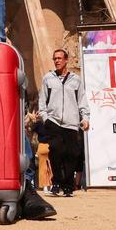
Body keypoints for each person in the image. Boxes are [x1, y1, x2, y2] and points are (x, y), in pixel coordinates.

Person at [38, 49, 89, 197]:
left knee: (71, 154)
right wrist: (45, 117)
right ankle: (56, 182)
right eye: (55, 59)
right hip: (53, 121)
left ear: (66, 60)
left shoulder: (76, 80)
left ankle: (68, 186)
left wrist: (85, 118)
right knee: (55, 150)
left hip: (71, 122)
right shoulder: (48, 78)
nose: (57, 61)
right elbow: (43, 101)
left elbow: (82, 100)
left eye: (60, 58)